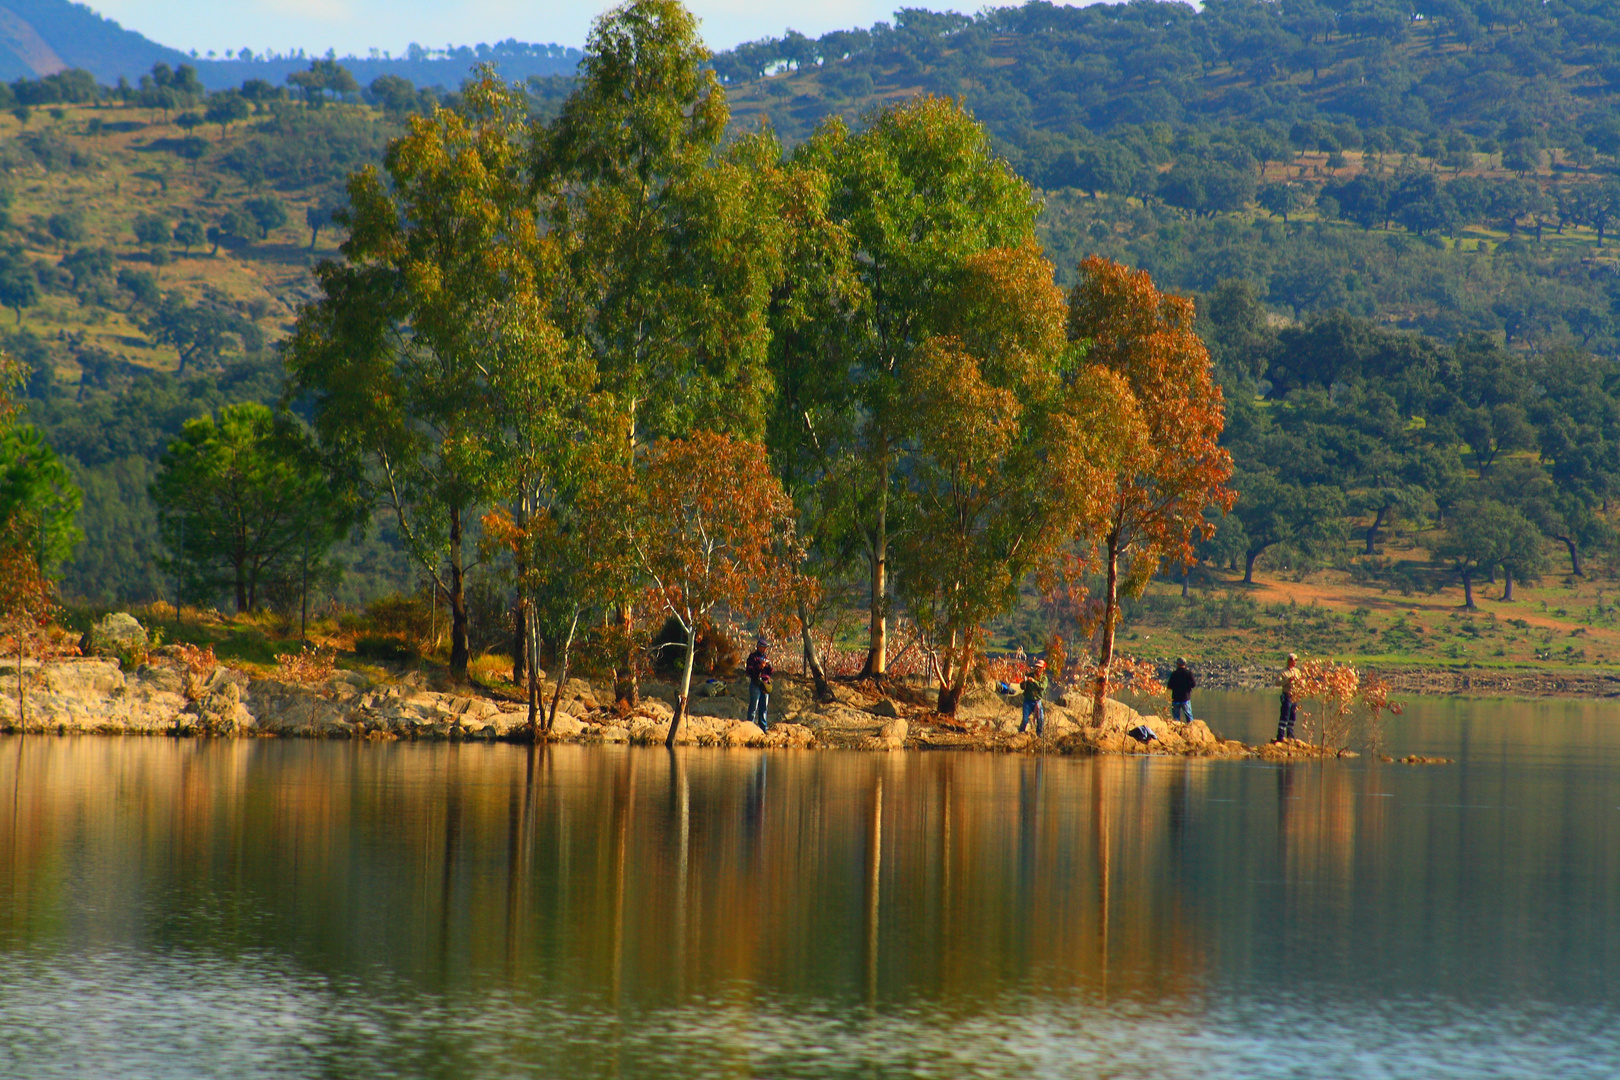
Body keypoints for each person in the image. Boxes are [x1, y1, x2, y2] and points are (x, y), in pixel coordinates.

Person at [745, 636, 772, 732]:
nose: (765, 649)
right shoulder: (752, 657)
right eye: (763, 647)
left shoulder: (766, 657)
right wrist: (759, 667)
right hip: (755, 684)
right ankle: (749, 727)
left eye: (766, 647)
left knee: (764, 707)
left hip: (764, 684)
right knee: (753, 707)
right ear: (758, 646)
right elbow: (749, 671)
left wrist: (769, 667)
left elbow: (770, 672)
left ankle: (763, 728)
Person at [1018, 658, 1048, 736]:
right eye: (1037, 667)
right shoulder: (1029, 675)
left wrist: (1034, 681)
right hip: (1028, 701)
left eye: (1040, 667)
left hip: (1037, 701)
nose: (1038, 669)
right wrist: (1024, 682)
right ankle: (1021, 732)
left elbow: (1042, 687)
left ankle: (1039, 735)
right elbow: (1022, 687)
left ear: (1043, 668)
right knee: (1025, 720)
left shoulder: (1044, 678)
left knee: (1040, 719)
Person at [1276, 653, 1300, 742]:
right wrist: (1287, 680)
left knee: (1293, 716)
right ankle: (1280, 736)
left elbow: (1302, 682)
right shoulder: (1282, 672)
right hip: (1287, 696)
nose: (1296, 662)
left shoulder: (1297, 671)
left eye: (1297, 660)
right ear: (1289, 660)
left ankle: (1290, 735)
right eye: (1295, 660)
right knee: (1285, 716)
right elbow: (1277, 683)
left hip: (1295, 696)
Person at [1167, 657, 1196, 723]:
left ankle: (1177, 732)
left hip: (1175, 699)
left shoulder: (1174, 674)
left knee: (1176, 719)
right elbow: (1193, 684)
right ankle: (1191, 731)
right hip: (1185, 698)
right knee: (1189, 718)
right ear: (1184, 664)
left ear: (1177, 664)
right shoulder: (1189, 673)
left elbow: (1169, 686)